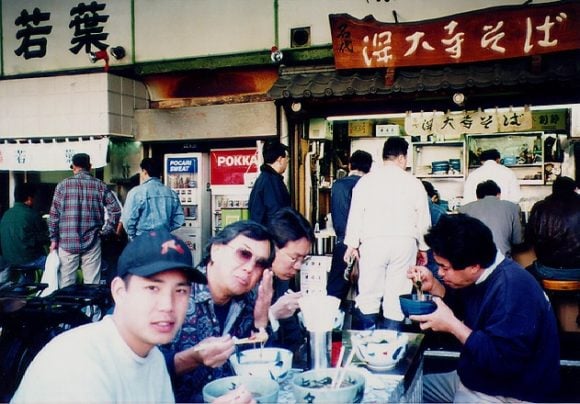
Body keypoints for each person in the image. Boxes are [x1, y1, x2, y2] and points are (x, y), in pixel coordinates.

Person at [11, 229, 207, 403]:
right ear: (120, 292)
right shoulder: (78, 364)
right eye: (153, 288)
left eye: (180, 291)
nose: (168, 305)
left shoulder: (152, 357)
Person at [408, 214, 560, 403]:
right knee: (406, 390)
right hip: (474, 377)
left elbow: (502, 362)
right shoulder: (484, 272)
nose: (439, 273)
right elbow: (465, 307)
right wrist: (435, 287)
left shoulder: (512, 290)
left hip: (509, 392)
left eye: (444, 268)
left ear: (473, 266)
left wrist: (452, 325)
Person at [160, 220, 275, 403]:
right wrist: (191, 359)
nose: (249, 268)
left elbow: (266, 371)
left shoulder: (250, 301)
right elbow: (139, 369)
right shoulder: (175, 295)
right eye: (243, 254)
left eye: (260, 264)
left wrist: (261, 320)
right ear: (216, 250)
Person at [344, 136, 430, 330]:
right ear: (401, 157)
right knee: (396, 297)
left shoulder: (366, 182)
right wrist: (423, 248)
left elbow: (356, 214)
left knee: (368, 295)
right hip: (404, 242)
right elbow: (423, 219)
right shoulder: (414, 183)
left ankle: (368, 345)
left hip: (373, 242)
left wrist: (352, 244)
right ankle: (393, 348)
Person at [48, 153, 121, 287]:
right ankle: (91, 308)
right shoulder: (100, 185)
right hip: (92, 240)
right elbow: (116, 210)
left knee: (67, 284)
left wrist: (54, 240)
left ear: (74, 167)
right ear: (90, 167)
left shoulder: (63, 185)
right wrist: (106, 231)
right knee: (92, 285)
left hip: (67, 242)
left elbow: (54, 216)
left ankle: (69, 308)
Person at [266, 207, 315, 364]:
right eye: (294, 258)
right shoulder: (247, 282)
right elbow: (238, 342)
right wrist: (272, 315)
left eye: (304, 259)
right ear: (272, 248)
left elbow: (292, 337)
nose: (299, 266)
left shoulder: (281, 279)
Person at [327, 150, 372, 303]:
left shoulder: (338, 186)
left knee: (334, 294)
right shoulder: (372, 186)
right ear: (369, 168)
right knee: (367, 297)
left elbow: (338, 219)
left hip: (343, 245)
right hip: (368, 247)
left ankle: (331, 323)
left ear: (349, 165)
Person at [525, 176, 580, 280]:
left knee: (523, 274)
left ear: (553, 190)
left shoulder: (540, 207)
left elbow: (529, 239)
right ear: (574, 189)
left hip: (547, 270)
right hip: (578, 270)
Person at [122, 158, 184, 240]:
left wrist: (133, 237)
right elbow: (179, 220)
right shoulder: (171, 193)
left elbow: (128, 221)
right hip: (164, 241)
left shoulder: (136, 192)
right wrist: (165, 231)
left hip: (142, 240)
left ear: (144, 171)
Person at [459, 179, 523, 257]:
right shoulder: (512, 207)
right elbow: (518, 241)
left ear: (477, 196)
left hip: (473, 262)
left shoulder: (463, 209)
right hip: (502, 260)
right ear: (498, 194)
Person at [0, 183, 49, 274]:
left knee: (27, 276)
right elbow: (45, 237)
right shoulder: (32, 214)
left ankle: (24, 285)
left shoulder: (6, 214)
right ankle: (51, 287)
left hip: (9, 260)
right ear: (29, 199)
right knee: (52, 263)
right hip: (28, 259)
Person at [248, 140, 291, 225]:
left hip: (261, 234)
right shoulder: (271, 182)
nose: (287, 162)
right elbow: (277, 214)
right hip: (271, 235)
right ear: (280, 159)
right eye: (287, 159)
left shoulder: (262, 179)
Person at [421, 180, 447, 277]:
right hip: (435, 263)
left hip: (413, 262)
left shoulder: (408, 209)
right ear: (432, 196)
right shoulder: (440, 211)